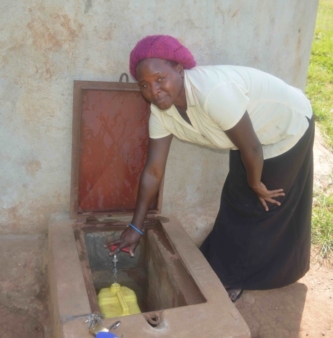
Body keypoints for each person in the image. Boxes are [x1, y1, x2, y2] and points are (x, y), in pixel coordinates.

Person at [105, 35, 314, 302]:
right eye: (144, 85)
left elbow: (252, 149)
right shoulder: (161, 111)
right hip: (249, 140)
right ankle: (220, 265)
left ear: (179, 70)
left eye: (160, 79)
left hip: (284, 129)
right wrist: (136, 227)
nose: (153, 91)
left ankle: (237, 278)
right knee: (235, 200)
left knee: (260, 206)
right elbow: (153, 171)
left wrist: (256, 184)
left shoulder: (212, 92)